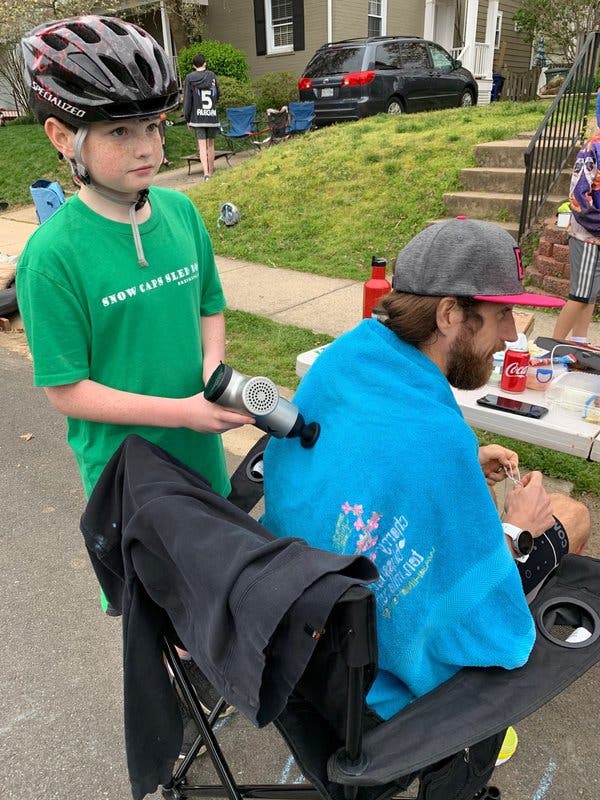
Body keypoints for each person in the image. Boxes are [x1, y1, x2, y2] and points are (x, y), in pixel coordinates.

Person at [17, 14, 252, 744]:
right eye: (119, 132)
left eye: (152, 124)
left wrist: (213, 367)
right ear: (63, 137)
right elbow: (66, 389)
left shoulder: (180, 212)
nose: (149, 145)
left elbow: (210, 306)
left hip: (199, 451)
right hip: (127, 476)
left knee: (210, 579)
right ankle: (178, 686)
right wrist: (179, 411)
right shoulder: (52, 257)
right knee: (157, 599)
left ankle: (204, 660)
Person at [262, 218, 590, 725]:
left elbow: (365, 461)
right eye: (502, 314)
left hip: (295, 605)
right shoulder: (437, 436)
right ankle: (478, 714)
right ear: (449, 314)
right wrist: (519, 529)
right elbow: (463, 601)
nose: (510, 337)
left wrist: (459, 467)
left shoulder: (346, 357)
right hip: (360, 660)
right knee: (572, 514)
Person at [553, 90, 600, 345]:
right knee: (580, 292)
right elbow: (578, 195)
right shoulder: (592, 149)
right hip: (588, 233)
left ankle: (580, 340)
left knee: (590, 293)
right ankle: (556, 342)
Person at [183, 53, 220, 181]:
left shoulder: (189, 78)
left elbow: (187, 99)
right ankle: (211, 171)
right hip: (211, 116)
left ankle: (206, 174)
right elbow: (218, 94)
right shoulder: (212, 76)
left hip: (198, 118)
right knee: (211, 145)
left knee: (202, 147)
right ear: (205, 63)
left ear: (194, 66)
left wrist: (187, 118)